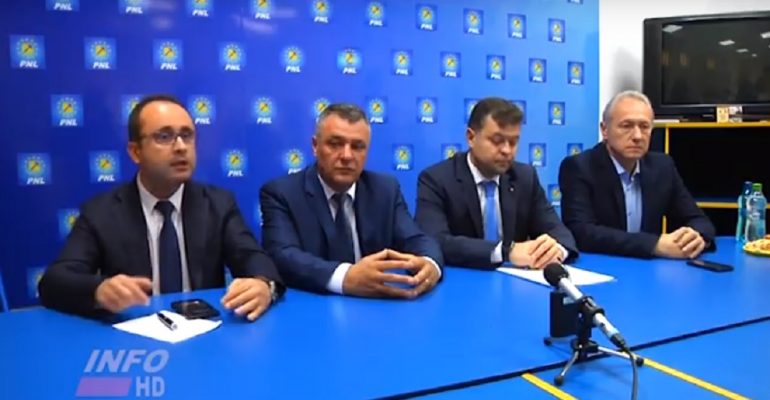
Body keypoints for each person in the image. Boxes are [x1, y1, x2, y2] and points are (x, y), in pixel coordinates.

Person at [38, 95, 284, 321]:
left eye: (187, 135)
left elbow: (254, 258)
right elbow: (54, 282)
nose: (181, 147)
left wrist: (263, 285)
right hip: (134, 335)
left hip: (204, 334)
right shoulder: (101, 211)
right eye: (164, 137)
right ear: (135, 152)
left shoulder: (218, 204)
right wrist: (98, 290)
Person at [260, 103, 443, 298]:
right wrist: (345, 277)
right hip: (313, 306)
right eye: (335, 144)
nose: (347, 156)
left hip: (377, 306)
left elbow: (416, 239)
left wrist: (429, 264)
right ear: (315, 146)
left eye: (357, 146)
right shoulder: (282, 193)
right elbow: (282, 256)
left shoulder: (385, 189)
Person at [415, 97, 577, 269]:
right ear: (471, 137)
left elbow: (560, 233)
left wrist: (556, 250)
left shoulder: (525, 177)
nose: (507, 150)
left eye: (513, 142)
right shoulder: (437, 179)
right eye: (497, 141)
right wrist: (505, 251)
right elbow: (433, 240)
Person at [558, 90, 716, 259]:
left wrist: (697, 236)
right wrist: (654, 245)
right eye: (626, 126)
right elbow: (581, 232)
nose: (637, 136)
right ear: (605, 130)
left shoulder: (662, 166)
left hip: (648, 269)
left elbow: (698, 220)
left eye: (644, 126)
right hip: (602, 264)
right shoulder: (579, 167)